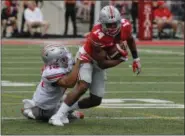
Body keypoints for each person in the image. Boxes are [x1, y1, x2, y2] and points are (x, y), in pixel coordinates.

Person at [49, 5, 141, 126]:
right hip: (86, 58)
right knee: (83, 86)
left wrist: (136, 58)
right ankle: (57, 116)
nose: (113, 27)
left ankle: (67, 108)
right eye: (109, 25)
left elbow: (130, 39)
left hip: (99, 61)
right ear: (102, 23)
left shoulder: (126, 26)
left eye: (115, 24)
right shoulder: (97, 34)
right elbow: (102, 64)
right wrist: (122, 59)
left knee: (96, 100)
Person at [21, 44, 84, 122]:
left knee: (70, 98)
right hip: (45, 107)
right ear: (56, 60)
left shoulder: (59, 64)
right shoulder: (50, 72)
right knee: (71, 103)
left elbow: (73, 63)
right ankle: (33, 112)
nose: (67, 58)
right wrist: (78, 62)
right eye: (64, 57)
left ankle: (33, 110)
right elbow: (70, 83)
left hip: (53, 99)